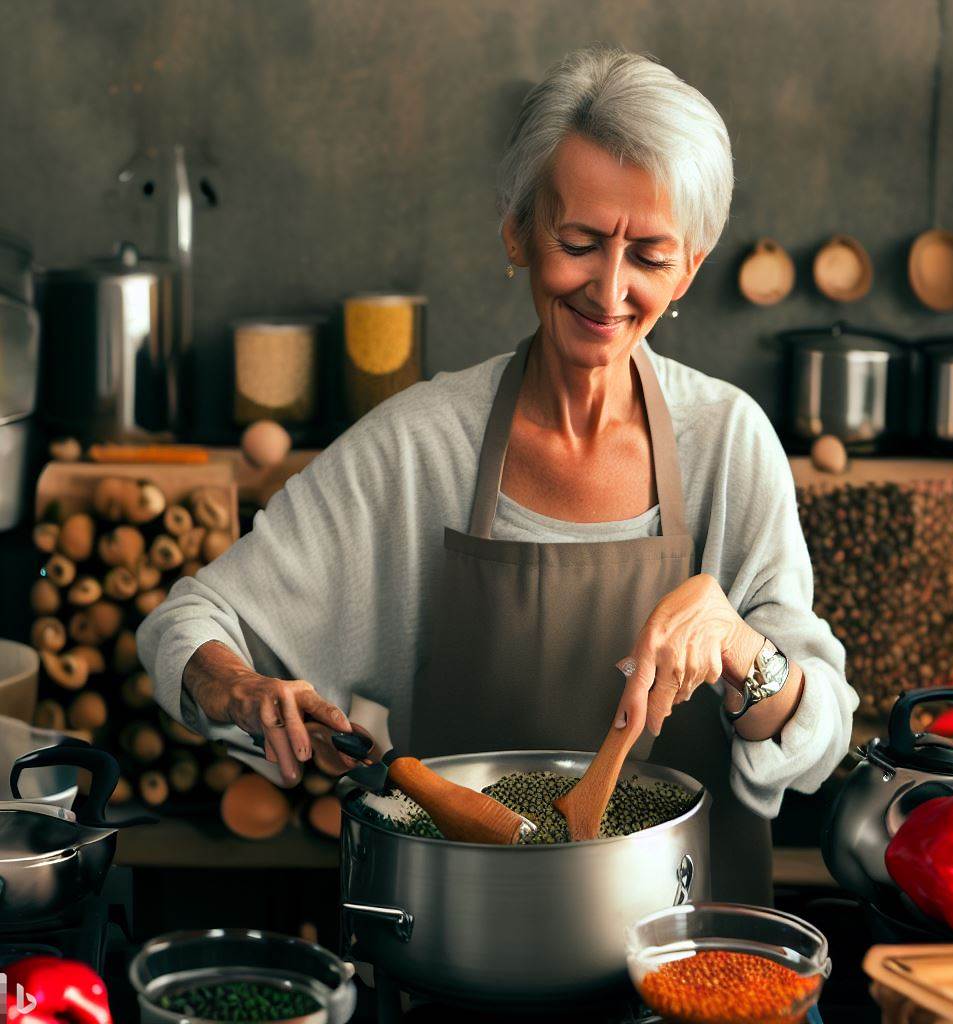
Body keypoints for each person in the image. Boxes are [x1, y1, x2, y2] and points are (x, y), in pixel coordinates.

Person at [138, 46, 856, 904]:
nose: (611, 289)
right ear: (517, 230)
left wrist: (742, 647)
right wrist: (244, 687)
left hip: (692, 964)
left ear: (691, 267)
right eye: (580, 242)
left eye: (651, 257)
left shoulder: (728, 443)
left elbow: (819, 746)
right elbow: (189, 623)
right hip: (467, 952)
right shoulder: (417, 448)